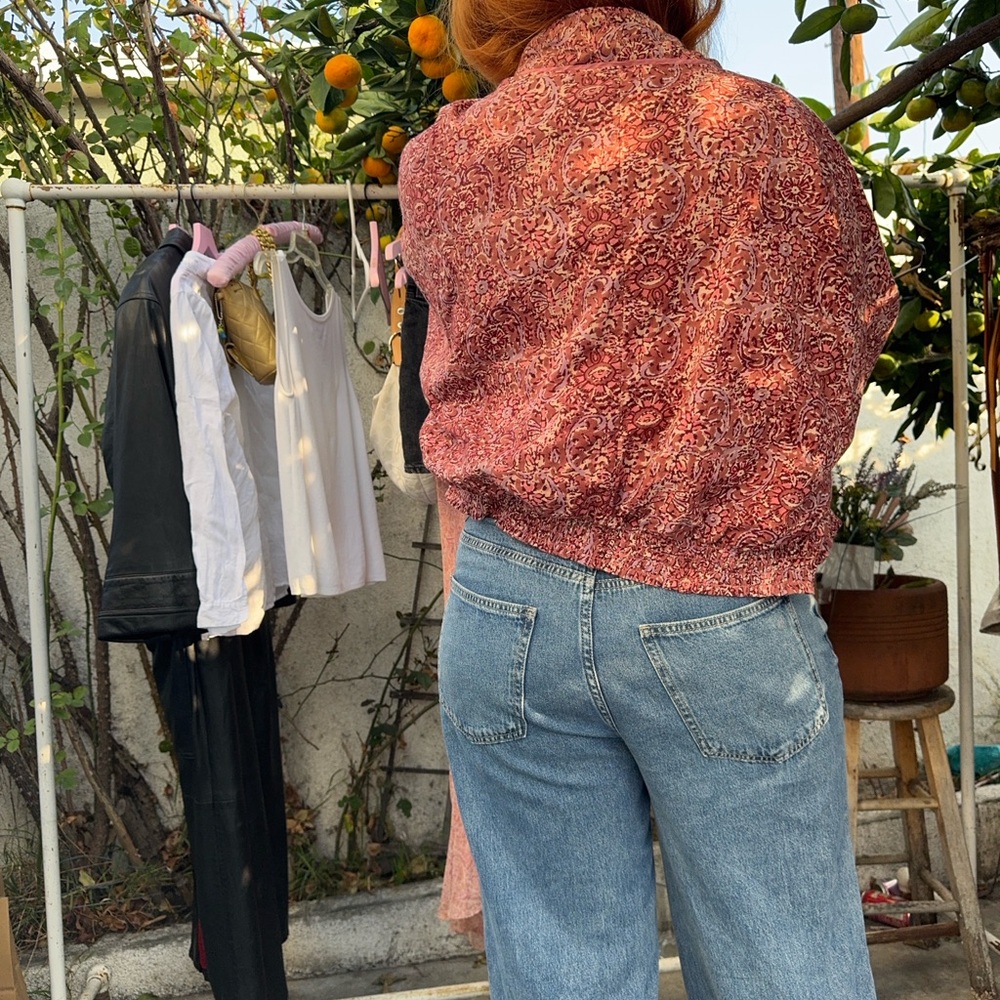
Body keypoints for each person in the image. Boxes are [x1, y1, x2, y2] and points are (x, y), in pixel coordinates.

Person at [397, 0, 899, 996]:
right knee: (783, 967)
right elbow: (847, 330)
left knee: (560, 971)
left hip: (507, 604)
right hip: (717, 593)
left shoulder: (446, 156)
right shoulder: (764, 136)